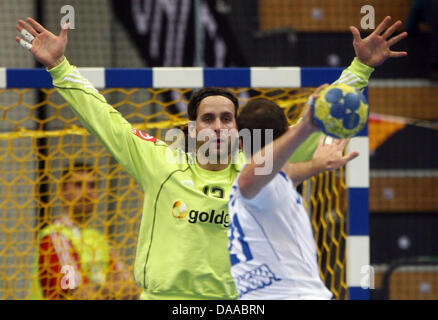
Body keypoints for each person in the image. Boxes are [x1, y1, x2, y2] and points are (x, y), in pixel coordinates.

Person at [16, 16, 406, 300]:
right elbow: (105, 119)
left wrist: (360, 68)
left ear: (238, 130)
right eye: (207, 119)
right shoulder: (161, 164)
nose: (217, 126)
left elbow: (317, 119)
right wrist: (59, 67)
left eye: (226, 118)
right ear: (191, 128)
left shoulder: (262, 172)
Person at [228, 89, 354, 300]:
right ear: (287, 131)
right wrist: (303, 129)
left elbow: (285, 175)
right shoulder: (253, 183)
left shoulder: (271, 185)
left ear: (240, 143)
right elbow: (251, 179)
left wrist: (317, 164)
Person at [29, 162, 140, 300]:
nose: (86, 192)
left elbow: (131, 289)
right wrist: (110, 287)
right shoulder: (54, 237)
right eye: (78, 185)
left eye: (92, 186)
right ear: (62, 191)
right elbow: (79, 295)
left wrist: (95, 289)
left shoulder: (98, 238)